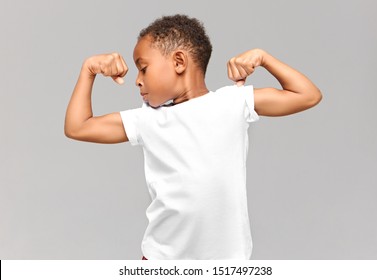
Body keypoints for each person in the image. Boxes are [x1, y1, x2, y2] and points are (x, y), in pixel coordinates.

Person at [64, 14, 322, 260]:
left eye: (143, 69)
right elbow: (78, 127)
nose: (137, 81)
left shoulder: (233, 102)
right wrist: (89, 70)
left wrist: (264, 58)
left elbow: (307, 95)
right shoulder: (148, 119)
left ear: (178, 62)